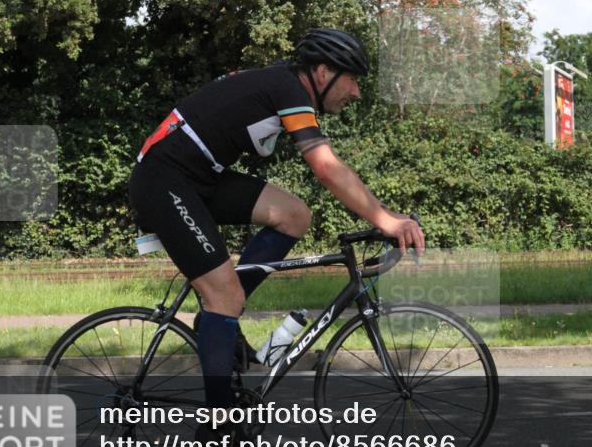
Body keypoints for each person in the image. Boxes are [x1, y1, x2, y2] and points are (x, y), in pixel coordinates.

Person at [128, 29, 425, 420]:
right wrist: (386, 220)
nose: (356, 92)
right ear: (323, 72)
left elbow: (332, 170)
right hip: (165, 180)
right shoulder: (288, 89)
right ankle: (220, 425)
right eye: (352, 79)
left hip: (199, 176)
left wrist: (385, 213)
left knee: (294, 215)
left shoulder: (283, 83)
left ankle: (218, 316)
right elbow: (326, 169)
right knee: (225, 297)